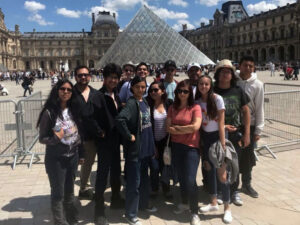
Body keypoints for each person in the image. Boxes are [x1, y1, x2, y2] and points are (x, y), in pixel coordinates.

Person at [37, 79, 84, 225]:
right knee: (58, 193)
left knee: (69, 191)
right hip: (56, 158)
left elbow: (79, 134)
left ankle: (72, 218)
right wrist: (54, 139)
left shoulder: (74, 110)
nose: (66, 92)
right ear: (57, 91)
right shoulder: (49, 113)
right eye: (63, 89)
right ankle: (60, 221)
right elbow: (42, 138)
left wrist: (81, 154)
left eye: (69, 90)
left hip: (73, 156)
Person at [116, 76, 157, 225]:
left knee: (144, 181)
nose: (141, 89)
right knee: (134, 183)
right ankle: (131, 213)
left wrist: (152, 147)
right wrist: (129, 136)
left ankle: (143, 204)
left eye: (143, 87)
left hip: (146, 149)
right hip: (136, 151)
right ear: (132, 88)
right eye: (138, 87)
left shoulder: (144, 101)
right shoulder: (132, 103)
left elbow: (148, 126)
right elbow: (120, 120)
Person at [195, 75, 232, 223]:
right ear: (198, 86)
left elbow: (222, 123)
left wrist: (223, 145)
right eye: (201, 84)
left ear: (210, 85)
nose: (203, 86)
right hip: (206, 138)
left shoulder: (217, 99)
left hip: (218, 137)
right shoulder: (197, 102)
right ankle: (213, 202)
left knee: (222, 175)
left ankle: (227, 208)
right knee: (209, 171)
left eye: (206, 84)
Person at [214, 59, 250, 206]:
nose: (226, 74)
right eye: (223, 72)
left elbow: (246, 112)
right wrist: (222, 126)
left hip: (236, 133)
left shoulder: (238, 90)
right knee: (220, 162)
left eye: (228, 72)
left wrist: (247, 134)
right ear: (218, 74)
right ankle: (222, 191)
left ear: (232, 75)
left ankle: (234, 191)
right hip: (217, 133)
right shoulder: (213, 90)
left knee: (235, 163)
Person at [91, 63, 124, 225]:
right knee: (103, 174)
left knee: (117, 171)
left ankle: (116, 198)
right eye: (110, 77)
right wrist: (99, 132)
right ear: (104, 78)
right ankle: (99, 209)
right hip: (105, 141)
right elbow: (91, 118)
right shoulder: (98, 95)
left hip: (116, 139)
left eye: (116, 78)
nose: (113, 80)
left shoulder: (116, 95)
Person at [166, 79, 202, 225]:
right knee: (181, 177)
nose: (182, 93)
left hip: (191, 147)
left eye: (185, 91)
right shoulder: (172, 108)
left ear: (190, 93)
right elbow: (168, 128)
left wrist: (177, 129)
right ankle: (185, 203)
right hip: (176, 146)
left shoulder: (195, 107)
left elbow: (195, 127)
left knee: (190, 179)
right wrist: (185, 128)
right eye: (180, 91)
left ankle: (194, 212)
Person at [236, 56, 264, 198]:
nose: (248, 68)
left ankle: (246, 184)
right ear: (239, 66)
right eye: (245, 65)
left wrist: (258, 129)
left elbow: (260, 108)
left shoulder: (258, 84)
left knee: (248, 156)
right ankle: (233, 186)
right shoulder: (233, 81)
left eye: (251, 66)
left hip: (251, 125)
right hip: (235, 124)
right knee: (234, 156)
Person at [73, 66, 98, 200]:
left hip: (90, 136)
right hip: (73, 137)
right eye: (80, 75)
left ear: (89, 76)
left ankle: (83, 188)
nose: (83, 77)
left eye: (85, 75)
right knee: (72, 165)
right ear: (76, 76)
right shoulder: (69, 92)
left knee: (88, 163)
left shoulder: (95, 93)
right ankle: (67, 193)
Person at [146, 81, 174, 198]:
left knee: (166, 166)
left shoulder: (169, 104)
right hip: (153, 140)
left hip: (167, 141)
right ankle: (154, 188)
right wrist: (152, 145)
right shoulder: (147, 105)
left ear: (163, 91)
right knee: (154, 166)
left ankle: (166, 188)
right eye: (151, 90)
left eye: (156, 90)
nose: (153, 92)